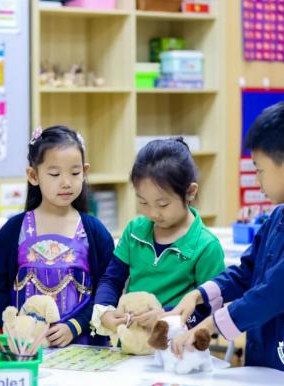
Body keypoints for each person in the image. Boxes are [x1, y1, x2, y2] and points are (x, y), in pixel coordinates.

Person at [170, 102, 284, 386]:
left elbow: (274, 293)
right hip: (266, 360)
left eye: (259, 170)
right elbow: (246, 271)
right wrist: (197, 296)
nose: (258, 181)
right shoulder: (277, 217)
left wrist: (210, 325)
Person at [0, 126, 114, 347]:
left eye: (75, 173)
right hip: (26, 350)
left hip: (84, 349)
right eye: (55, 174)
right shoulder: (13, 230)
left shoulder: (94, 231)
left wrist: (75, 325)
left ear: (85, 171)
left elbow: (108, 289)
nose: (66, 182)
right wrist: (14, 327)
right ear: (33, 175)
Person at [91, 138, 225, 338]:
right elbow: (111, 279)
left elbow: (210, 309)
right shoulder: (134, 231)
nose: (153, 213)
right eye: (143, 202)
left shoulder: (206, 246)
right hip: (132, 344)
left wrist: (168, 318)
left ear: (190, 192)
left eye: (162, 205)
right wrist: (104, 310)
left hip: (177, 349)